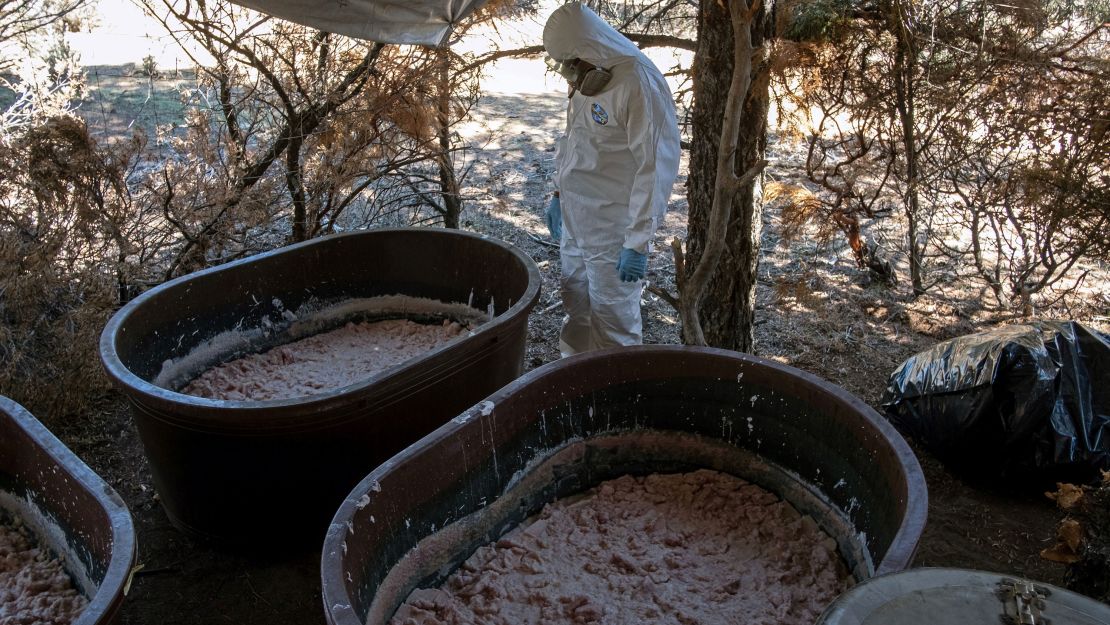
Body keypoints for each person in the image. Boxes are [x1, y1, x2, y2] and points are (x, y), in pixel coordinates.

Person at [542, 2, 681, 357]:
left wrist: (637, 241)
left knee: (613, 322)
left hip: (613, 230)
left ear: (589, 48)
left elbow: (655, 167)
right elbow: (575, 140)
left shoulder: (639, 82)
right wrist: (560, 192)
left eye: (570, 64)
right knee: (577, 305)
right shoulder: (588, 77)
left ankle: (614, 402)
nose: (568, 74)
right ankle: (575, 381)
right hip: (577, 219)